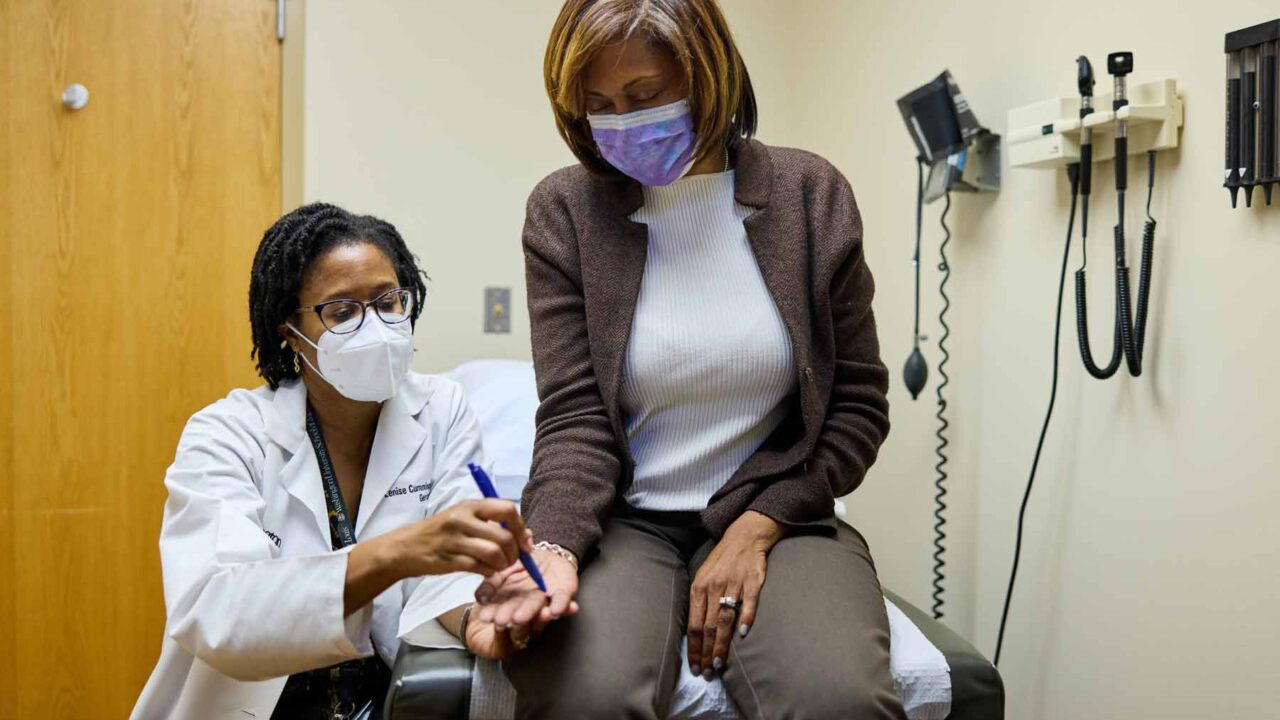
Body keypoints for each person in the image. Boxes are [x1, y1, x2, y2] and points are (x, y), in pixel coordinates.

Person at [475, 1, 909, 718]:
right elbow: (576, 417)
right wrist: (552, 544)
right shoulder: (565, 211)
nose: (623, 121)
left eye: (645, 97)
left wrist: (760, 524)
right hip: (623, 519)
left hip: (778, 511)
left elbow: (857, 406)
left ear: (708, 78)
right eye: (599, 106)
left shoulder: (810, 196)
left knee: (839, 699)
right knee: (588, 696)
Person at [131, 204, 563, 719]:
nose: (375, 327)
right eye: (342, 312)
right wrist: (394, 554)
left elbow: (445, 575)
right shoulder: (229, 433)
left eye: (389, 302)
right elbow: (216, 614)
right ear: (291, 331)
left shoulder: (442, 410)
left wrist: (476, 616)